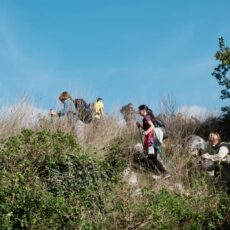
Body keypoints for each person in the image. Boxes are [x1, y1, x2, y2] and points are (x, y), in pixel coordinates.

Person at [136, 104, 170, 179]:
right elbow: (148, 127)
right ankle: (162, 173)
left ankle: (163, 173)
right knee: (152, 157)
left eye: (139, 111)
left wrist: (146, 132)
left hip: (151, 141)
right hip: (153, 140)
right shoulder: (148, 117)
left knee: (151, 157)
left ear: (143, 110)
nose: (138, 112)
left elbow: (152, 126)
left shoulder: (146, 117)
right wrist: (140, 126)